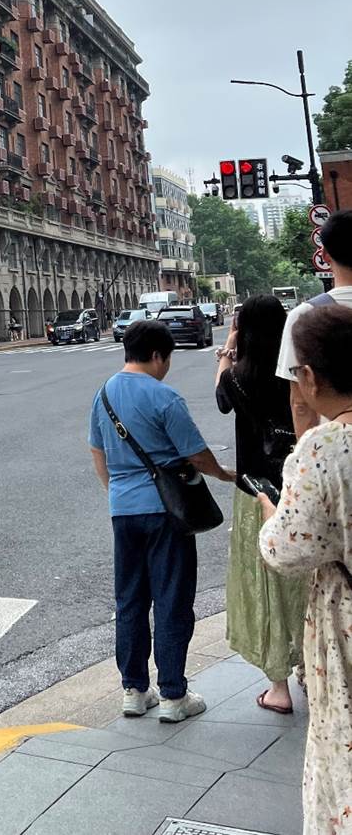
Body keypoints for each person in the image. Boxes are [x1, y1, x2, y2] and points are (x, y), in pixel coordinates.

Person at [89, 320, 235, 722]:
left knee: (130, 601)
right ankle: (173, 694)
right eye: (167, 359)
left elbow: (97, 452)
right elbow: (196, 454)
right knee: (171, 598)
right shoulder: (164, 396)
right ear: (157, 356)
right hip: (167, 512)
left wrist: (116, 492)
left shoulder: (103, 395)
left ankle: (134, 690)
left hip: (123, 510)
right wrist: (224, 474)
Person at [258, 304, 352, 835]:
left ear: (311, 377)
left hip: (346, 619)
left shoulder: (324, 449)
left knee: (343, 745)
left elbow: (286, 551)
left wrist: (271, 516)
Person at [215, 296, 307, 714]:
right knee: (308, 577)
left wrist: (228, 347)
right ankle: (311, 666)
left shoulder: (238, 376)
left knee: (266, 583)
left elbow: (221, 399)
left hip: (255, 490)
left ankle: (278, 688)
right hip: (298, 483)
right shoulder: (297, 372)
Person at [276, 209, 352, 433]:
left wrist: (306, 450)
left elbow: (301, 403)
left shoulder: (304, 317)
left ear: (325, 256)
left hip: (335, 445)